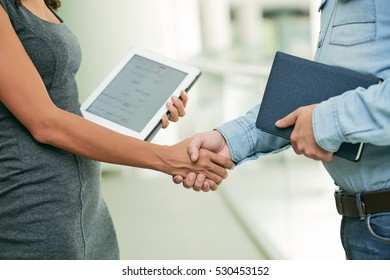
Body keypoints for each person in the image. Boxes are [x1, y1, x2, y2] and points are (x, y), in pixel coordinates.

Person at [0, 0, 234, 259]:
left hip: (87, 205)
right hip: (33, 207)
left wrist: (144, 111)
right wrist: (168, 158)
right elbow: (45, 122)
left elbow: (60, 105)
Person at [174, 0, 390, 260]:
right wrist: (230, 140)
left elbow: (320, 111)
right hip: (364, 222)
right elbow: (322, 94)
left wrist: (324, 122)